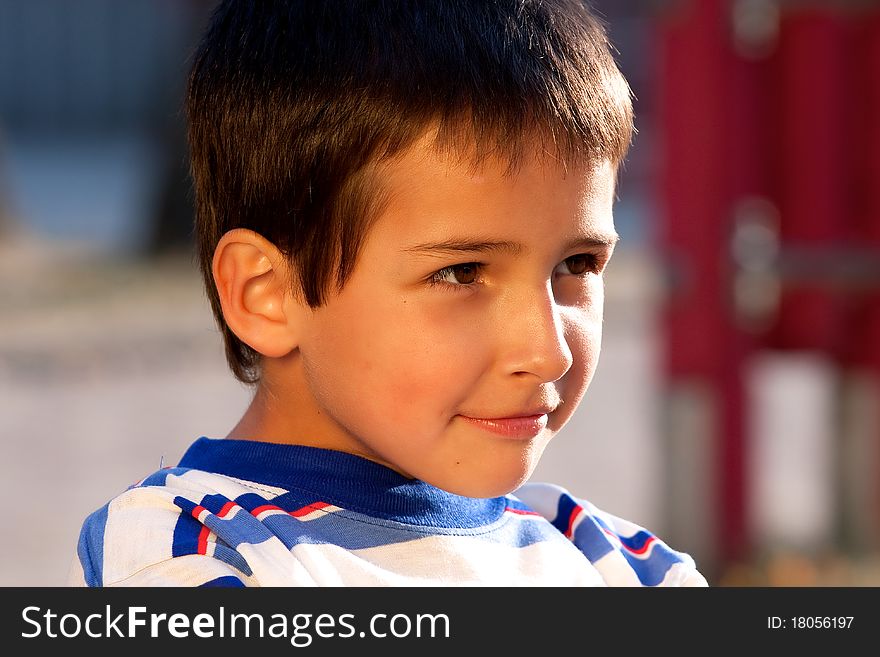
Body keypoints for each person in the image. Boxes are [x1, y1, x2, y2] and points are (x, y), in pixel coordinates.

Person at [69, 0, 708, 587]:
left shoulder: (614, 562)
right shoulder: (190, 551)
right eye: (462, 273)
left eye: (577, 263)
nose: (547, 352)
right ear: (268, 293)